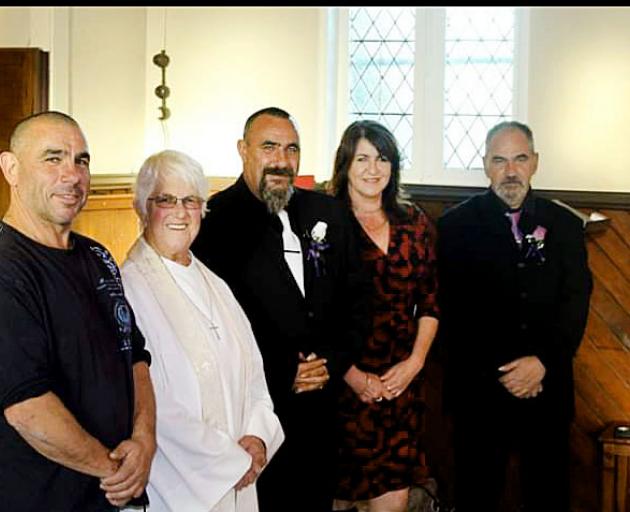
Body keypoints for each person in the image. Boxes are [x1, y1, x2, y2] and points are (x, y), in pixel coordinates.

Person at [191, 107, 369, 512]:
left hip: (323, 408)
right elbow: (210, 325)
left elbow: (357, 301)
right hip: (255, 411)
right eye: (269, 146)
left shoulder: (328, 213)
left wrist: (332, 363)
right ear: (243, 150)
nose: (281, 160)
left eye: (292, 149)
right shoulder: (213, 222)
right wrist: (283, 371)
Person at [0, 111, 156, 511]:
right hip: (44, 498)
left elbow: (135, 357)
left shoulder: (98, 256)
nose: (72, 175)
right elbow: (27, 408)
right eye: (53, 158)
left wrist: (144, 440)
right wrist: (114, 470)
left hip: (113, 494)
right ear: (11, 169)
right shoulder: (7, 267)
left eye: (81, 160)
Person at [436, 121, 593, 512]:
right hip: (479, 394)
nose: (510, 171)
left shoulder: (565, 226)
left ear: (535, 162)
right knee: (477, 494)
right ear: (486, 165)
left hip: (547, 389)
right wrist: (507, 374)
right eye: (499, 160)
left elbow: (575, 303)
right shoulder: (454, 227)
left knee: (548, 495)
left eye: (520, 159)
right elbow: (451, 313)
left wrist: (541, 363)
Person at [120, 149, 284, 512]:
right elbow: (150, 403)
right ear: (142, 207)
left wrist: (257, 437)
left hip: (242, 475)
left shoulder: (216, 284)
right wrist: (227, 463)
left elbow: (254, 374)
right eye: (166, 200)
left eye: (191, 201)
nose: (180, 212)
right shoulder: (127, 289)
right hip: (179, 487)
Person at [329, 120, 439, 512]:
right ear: (345, 164)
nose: (373, 168)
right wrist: (354, 377)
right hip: (341, 386)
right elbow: (316, 316)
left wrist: (414, 363)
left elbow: (430, 301)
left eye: (382, 158)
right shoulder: (325, 225)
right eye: (362, 158)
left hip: (399, 387)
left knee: (394, 497)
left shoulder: (414, 222)